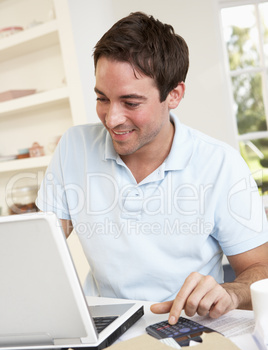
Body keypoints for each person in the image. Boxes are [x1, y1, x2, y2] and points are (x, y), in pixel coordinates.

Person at [36, 11, 268, 325]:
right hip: (104, 325)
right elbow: (40, 248)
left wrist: (231, 292)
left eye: (130, 102)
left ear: (174, 95)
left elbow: (261, 270)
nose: (112, 118)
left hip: (190, 327)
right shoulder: (74, 147)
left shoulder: (220, 164)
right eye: (102, 98)